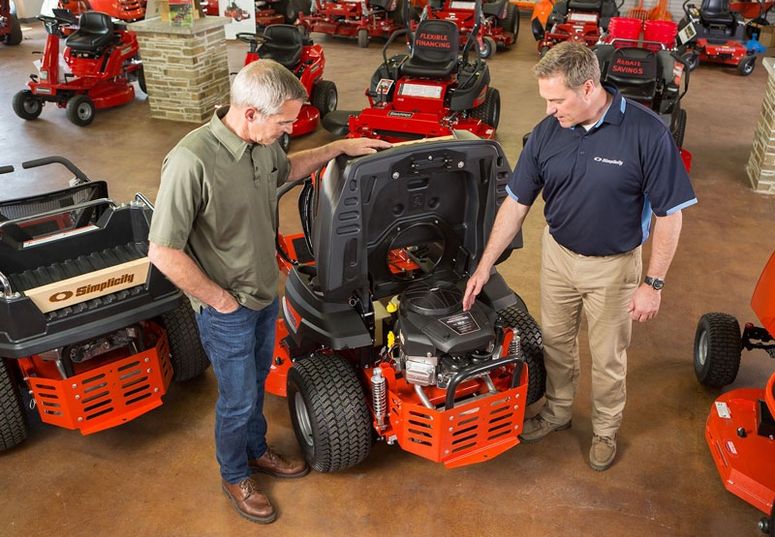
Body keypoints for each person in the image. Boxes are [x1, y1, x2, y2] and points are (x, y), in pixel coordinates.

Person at [147, 59, 391, 523]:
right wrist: (218, 300)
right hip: (228, 308)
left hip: (262, 294)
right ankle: (235, 473)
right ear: (252, 113)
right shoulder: (191, 161)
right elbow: (163, 250)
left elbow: (286, 169)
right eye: (284, 122)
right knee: (237, 398)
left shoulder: (261, 144)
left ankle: (257, 449)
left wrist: (337, 147)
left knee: (257, 382)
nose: (288, 131)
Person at [462, 42, 696, 472]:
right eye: (545, 100)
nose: (550, 110)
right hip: (558, 257)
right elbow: (516, 204)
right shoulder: (550, 131)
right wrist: (484, 263)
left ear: (588, 88)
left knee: (607, 356)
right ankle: (558, 411)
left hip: (613, 267)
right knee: (556, 343)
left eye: (556, 99)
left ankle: (606, 429)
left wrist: (654, 283)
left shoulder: (646, 133)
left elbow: (670, 216)